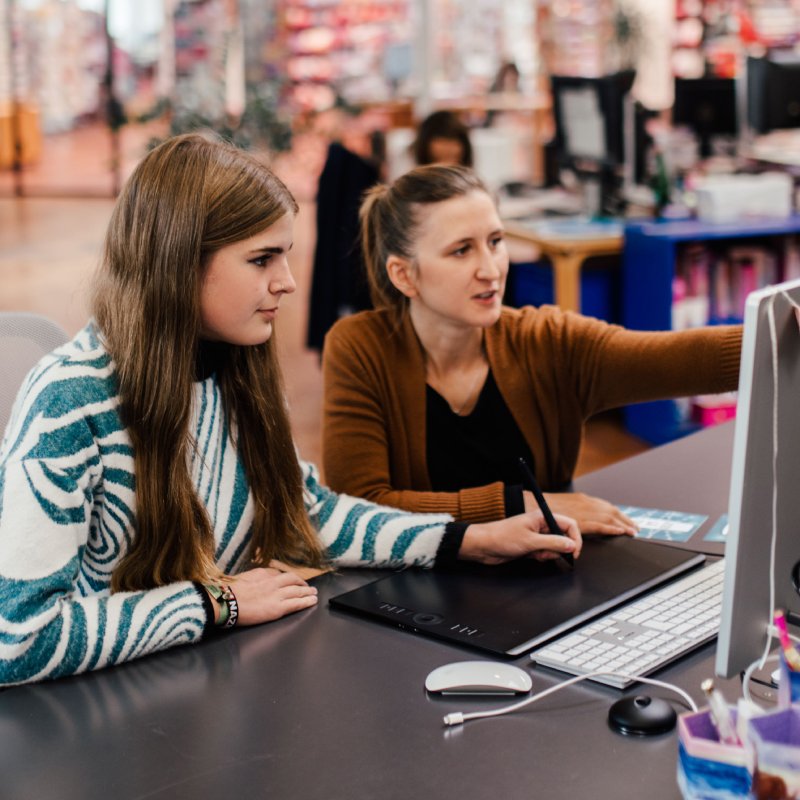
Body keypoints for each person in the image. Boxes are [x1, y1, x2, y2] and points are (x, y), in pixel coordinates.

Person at [0, 134, 581, 688]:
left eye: (287, 255)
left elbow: (307, 515)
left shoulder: (235, 368)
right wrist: (216, 603)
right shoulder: (71, 399)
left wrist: (465, 540)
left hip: (194, 688)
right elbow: (17, 641)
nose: (289, 283)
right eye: (262, 260)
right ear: (178, 262)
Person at [321, 164, 742, 532]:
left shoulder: (545, 341)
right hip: (409, 593)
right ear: (404, 275)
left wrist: (778, 326)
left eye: (496, 241)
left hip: (539, 576)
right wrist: (519, 505)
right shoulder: (361, 348)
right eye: (462, 250)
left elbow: (682, 359)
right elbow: (360, 508)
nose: (491, 269)